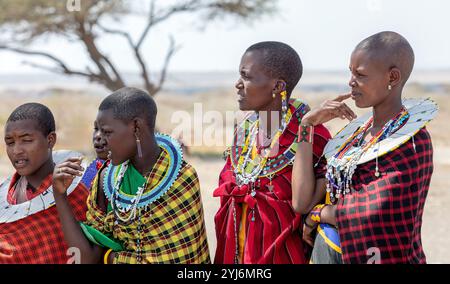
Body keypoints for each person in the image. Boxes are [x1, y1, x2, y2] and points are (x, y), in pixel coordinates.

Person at [296, 31, 437, 264]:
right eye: (350, 72)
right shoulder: (355, 137)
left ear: (392, 77)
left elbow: (373, 211)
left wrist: (321, 214)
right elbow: (302, 202)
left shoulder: (412, 141)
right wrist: (306, 125)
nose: (351, 82)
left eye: (360, 75)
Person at [52, 87, 210, 264]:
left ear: (136, 127)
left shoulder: (181, 177)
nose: (99, 138)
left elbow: (184, 257)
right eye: (96, 130)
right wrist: (59, 195)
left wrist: (111, 258)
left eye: (107, 132)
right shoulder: (106, 179)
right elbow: (87, 258)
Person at [213, 41, 331, 264]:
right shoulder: (245, 131)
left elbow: (304, 204)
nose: (238, 84)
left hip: (284, 255)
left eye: (246, 77)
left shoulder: (314, 135)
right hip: (237, 253)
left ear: (277, 87)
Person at [0, 103, 89, 264]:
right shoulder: (5, 196)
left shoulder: (77, 194)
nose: (16, 150)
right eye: (10, 142)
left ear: (50, 140)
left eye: (26, 140)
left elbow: (87, 256)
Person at [79, 120, 109, 189]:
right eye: (96, 129)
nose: (97, 136)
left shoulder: (126, 175)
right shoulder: (95, 167)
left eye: (107, 131)